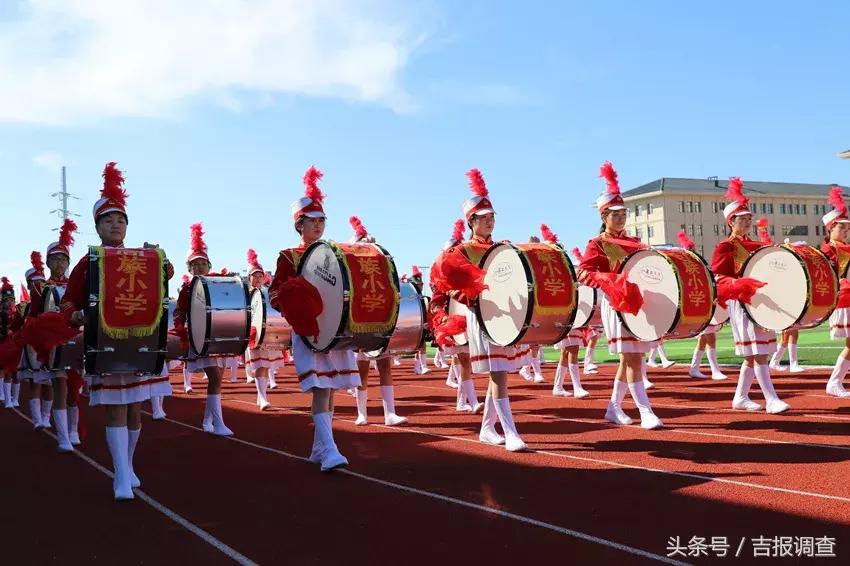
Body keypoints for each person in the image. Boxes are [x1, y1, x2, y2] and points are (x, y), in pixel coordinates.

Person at [60, 162, 175, 499]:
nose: (115, 224)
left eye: (120, 219)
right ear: (97, 227)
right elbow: (68, 301)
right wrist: (75, 315)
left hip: (140, 340)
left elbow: (166, 276)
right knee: (115, 407)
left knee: (135, 408)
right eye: (108, 220)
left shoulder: (141, 257)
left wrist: (160, 259)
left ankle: (128, 464)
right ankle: (121, 474)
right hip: (105, 342)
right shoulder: (89, 261)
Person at [268, 166, 359, 471]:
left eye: (321, 221)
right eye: (311, 221)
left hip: (333, 328)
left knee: (330, 389)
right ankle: (330, 450)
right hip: (309, 330)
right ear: (299, 225)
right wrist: (295, 305)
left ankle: (319, 448)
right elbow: (275, 293)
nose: (318, 226)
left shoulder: (334, 253)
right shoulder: (288, 256)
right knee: (321, 387)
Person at [430, 169, 527, 450]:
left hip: (505, 316)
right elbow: (444, 284)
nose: (489, 221)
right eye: (483, 218)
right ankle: (510, 432)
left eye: (491, 216)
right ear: (471, 222)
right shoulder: (460, 252)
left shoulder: (503, 249)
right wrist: (469, 296)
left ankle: (486, 428)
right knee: (499, 373)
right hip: (482, 318)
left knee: (501, 372)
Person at [577, 162, 662, 429]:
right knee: (633, 357)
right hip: (617, 304)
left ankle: (613, 408)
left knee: (630, 358)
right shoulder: (597, 244)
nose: (621, 217)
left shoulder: (635, 243)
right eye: (615, 214)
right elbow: (584, 274)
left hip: (639, 304)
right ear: (604, 216)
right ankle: (645, 411)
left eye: (623, 213)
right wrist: (608, 280)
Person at [710, 177, 789, 414]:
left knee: (754, 354)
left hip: (759, 302)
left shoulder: (756, 246)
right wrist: (738, 283)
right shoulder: (725, 247)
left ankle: (740, 397)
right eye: (741, 219)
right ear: (730, 222)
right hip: (742, 303)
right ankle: (771, 399)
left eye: (748, 218)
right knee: (758, 352)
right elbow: (718, 278)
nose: (747, 222)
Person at [174, 223, 233, 436]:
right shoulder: (187, 289)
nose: (199, 267)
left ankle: (207, 420)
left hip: (219, 336)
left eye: (202, 263)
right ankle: (218, 423)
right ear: (189, 269)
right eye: (195, 265)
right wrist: (181, 326)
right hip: (201, 338)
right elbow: (179, 311)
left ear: (208, 265)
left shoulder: (218, 282)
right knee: (215, 378)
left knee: (217, 380)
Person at [819, 186, 850, 398]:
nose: (846, 232)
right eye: (842, 228)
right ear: (830, 228)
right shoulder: (827, 250)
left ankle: (835, 381)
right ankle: (834, 382)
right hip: (844, 299)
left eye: (848, 228)